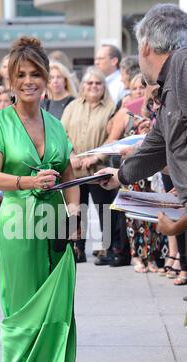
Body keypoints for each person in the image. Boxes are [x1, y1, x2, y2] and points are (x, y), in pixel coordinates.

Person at [94, 3, 187, 362]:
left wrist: (186, 215)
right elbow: (155, 146)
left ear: (148, 46)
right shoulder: (174, 81)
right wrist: (117, 175)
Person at [0, 36, 80, 362]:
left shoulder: (55, 124)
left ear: (48, 78)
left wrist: (74, 216)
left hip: (53, 225)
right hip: (18, 223)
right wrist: (28, 181)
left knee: (51, 315)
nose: (29, 81)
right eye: (22, 75)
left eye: (36, 74)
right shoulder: (1, 122)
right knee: (22, 314)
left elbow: (70, 176)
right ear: (11, 80)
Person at [61, 66, 116, 264]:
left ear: (104, 86)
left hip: (99, 171)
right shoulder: (72, 106)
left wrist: (95, 157)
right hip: (74, 171)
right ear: (83, 86)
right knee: (77, 210)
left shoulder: (111, 108)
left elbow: (113, 138)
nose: (93, 86)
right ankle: (77, 250)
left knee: (105, 211)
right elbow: (62, 133)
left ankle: (109, 250)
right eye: (89, 83)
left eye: (98, 83)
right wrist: (71, 154)